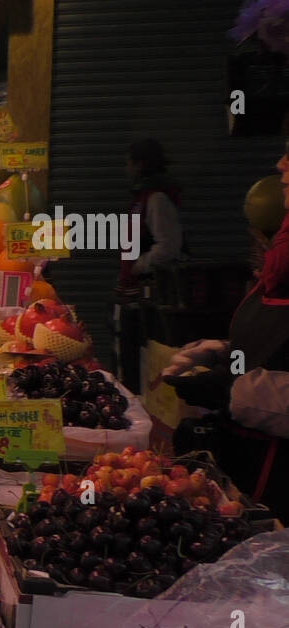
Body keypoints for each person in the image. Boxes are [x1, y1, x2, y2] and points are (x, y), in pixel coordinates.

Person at [163, 144, 289, 521]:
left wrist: (235, 389)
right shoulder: (281, 258)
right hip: (252, 482)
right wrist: (224, 353)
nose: (280, 164)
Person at [119, 139, 185, 296]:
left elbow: (168, 247)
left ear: (140, 165)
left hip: (151, 292)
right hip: (135, 288)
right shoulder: (142, 197)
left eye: (129, 162)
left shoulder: (157, 199)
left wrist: (138, 265)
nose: (127, 168)